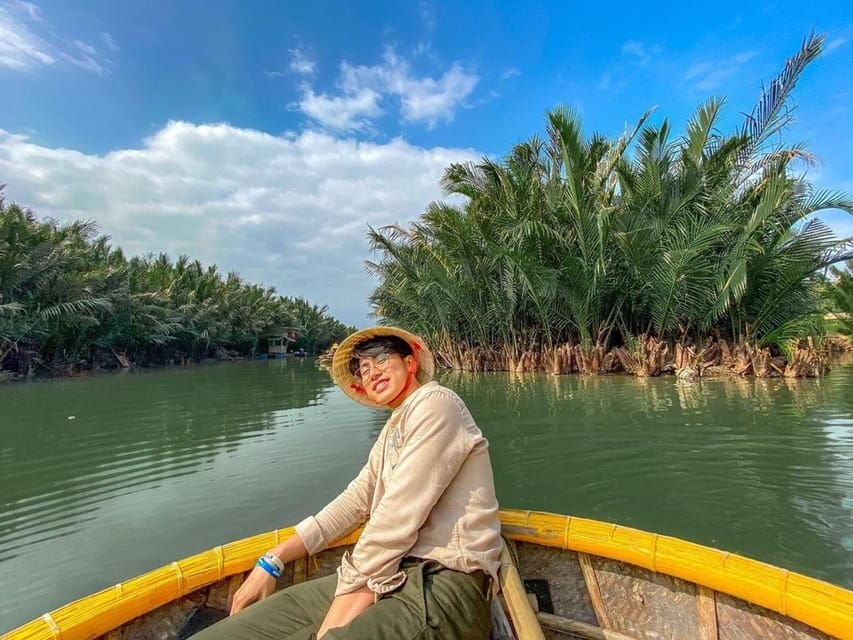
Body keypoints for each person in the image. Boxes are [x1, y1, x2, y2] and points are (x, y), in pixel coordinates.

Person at [191, 326, 503, 639]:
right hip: (389, 572)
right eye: (363, 369)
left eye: (382, 359)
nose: (372, 372)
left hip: (443, 584)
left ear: (410, 362)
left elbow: (395, 520)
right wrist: (273, 560)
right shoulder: (392, 430)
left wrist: (339, 612)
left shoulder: (436, 404)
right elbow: (354, 503)